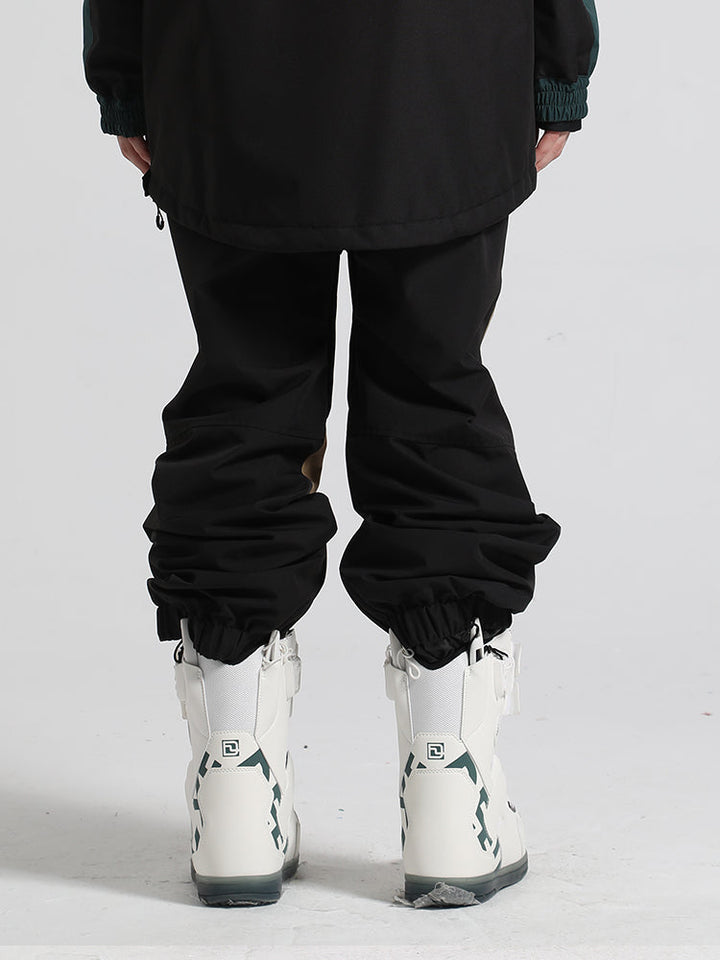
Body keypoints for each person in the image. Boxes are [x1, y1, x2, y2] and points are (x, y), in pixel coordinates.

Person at [82, 0, 599, 908]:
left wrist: (126, 71)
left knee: (248, 389)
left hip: (224, 52)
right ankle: (450, 786)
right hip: (445, 50)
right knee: (432, 388)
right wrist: (559, 63)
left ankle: (235, 789)